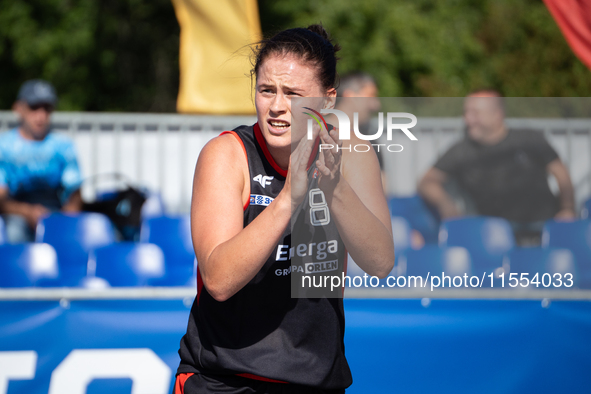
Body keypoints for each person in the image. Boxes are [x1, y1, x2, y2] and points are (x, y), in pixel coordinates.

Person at [174, 25, 394, 393]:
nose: (277, 107)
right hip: (224, 377)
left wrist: (333, 187)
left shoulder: (352, 152)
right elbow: (219, 281)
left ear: (327, 100)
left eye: (292, 93)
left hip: (315, 378)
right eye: (266, 90)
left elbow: (381, 262)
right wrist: (290, 197)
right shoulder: (228, 154)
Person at [418, 89, 575, 244]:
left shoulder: (529, 139)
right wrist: (448, 207)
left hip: (544, 230)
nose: (468, 119)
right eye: (466, 113)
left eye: (475, 113)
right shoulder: (461, 151)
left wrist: (567, 209)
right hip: (493, 237)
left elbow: (561, 174)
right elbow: (427, 181)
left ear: (497, 114)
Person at [0, 80, 82, 243]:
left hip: (54, 211)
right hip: (15, 213)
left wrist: (64, 223)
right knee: (15, 232)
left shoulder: (63, 146)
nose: (41, 115)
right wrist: (28, 212)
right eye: (34, 107)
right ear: (19, 108)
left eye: (46, 108)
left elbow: (74, 194)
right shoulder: (4, 146)